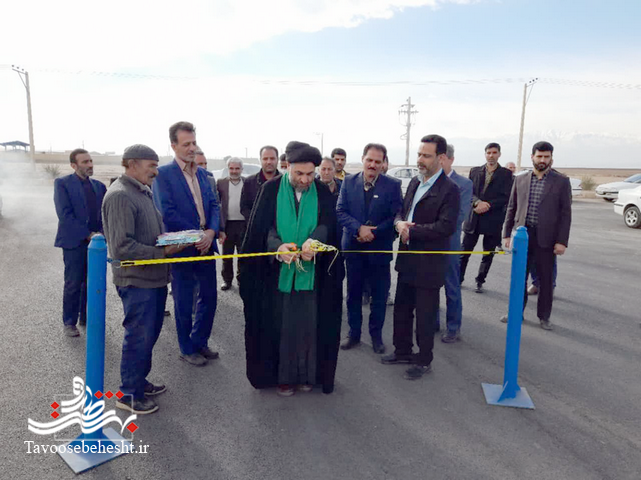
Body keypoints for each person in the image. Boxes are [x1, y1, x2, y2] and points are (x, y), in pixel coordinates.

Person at [239, 141, 344, 396]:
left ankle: (308, 375)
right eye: (299, 174)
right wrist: (278, 248)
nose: (305, 180)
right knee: (282, 328)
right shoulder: (270, 190)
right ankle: (283, 378)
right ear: (287, 167)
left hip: (313, 278)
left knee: (309, 328)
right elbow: (262, 229)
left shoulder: (322, 191)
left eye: (310, 174)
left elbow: (328, 225)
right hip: (276, 277)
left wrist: (315, 241)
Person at [103, 145, 183, 414]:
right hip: (137, 281)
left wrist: (171, 240)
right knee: (138, 337)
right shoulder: (120, 196)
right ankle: (128, 394)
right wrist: (163, 252)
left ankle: (138, 381)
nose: (156, 171)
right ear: (132, 164)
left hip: (153, 278)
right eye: (152, 166)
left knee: (148, 336)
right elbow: (121, 247)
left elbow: (147, 234)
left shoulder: (141, 192)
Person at [382, 134, 460, 380]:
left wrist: (411, 231)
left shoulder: (450, 190)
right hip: (407, 259)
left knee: (425, 316)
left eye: (426, 156)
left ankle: (424, 360)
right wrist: (398, 224)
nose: (420, 160)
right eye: (419, 154)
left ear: (441, 158)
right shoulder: (416, 182)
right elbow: (402, 212)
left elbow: (446, 227)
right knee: (402, 310)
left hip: (429, 264)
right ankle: (402, 351)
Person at [153, 121, 221, 366]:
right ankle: (186, 348)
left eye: (194, 142)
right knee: (183, 301)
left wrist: (211, 232)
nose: (192, 148)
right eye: (186, 144)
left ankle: (200, 342)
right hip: (182, 248)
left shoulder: (203, 174)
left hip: (206, 245)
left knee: (209, 297)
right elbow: (167, 212)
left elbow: (214, 205)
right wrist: (196, 235)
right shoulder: (163, 175)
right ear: (173, 146)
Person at [337, 143, 403, 354]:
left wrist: (373, 232)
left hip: (379, 249)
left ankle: (376, 336)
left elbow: (396, 215)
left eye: (377, 161)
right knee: (353, 294)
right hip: (354, 248)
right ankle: (354, 334)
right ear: (363, 159)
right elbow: (340, 211)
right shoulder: (348, 182)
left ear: (383, 163)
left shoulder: (393, 185)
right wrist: (359, 229)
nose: (373, 165)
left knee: (379, 296)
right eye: (369, 160)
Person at [501, 141, 571, 330]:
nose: (542, 160)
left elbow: (566, 214)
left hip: (547, 239)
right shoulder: (520, 179)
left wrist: (562, 241)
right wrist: (507, 234)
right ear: (532, 157)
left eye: (546, 157)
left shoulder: (561, 182)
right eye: (539, 156)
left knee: (546, 280)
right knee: (519, 278)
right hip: (522, 237)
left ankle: (544, 317)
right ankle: (516, 313)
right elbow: (512, 207)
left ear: (551, 158)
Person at [54, 148, 107, 337]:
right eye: (85, 162)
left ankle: (87, 317)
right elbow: (64, 214)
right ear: (73, 165)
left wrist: (101, 234)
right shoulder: (62, 184)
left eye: (90, 161)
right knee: (74, 282)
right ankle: (69, 322)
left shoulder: (99, 186)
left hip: (97, 243)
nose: (90, 165)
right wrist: (87, 234)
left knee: (92, 281)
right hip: (74, 242)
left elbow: (104, 214)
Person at [460, 143, 513, 293]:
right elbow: (469, 192)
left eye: (494, 153)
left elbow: (506, 197)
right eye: (489, 152)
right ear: (485, 154)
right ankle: (458, 278)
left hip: (493, 219)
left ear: (499, 154)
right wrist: (477, 202)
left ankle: (480, 280)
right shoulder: (475, 171)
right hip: (474, 217)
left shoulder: (506, 174)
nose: (491, 155)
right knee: (464, 251)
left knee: (488, 253)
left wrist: (487, 205)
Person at [436, 144, 473, 342]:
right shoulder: (428, 180)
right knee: (430, 284)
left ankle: (453, 327)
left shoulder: (463, 184)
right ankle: (432, 321)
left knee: (451, 286)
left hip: (449, 243)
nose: (439, 162)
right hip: (429, 244)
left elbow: (460, 216)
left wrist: (432, 229)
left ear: (450, 159)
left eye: (442, 158)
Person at [216, 157, 246, 290]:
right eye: (231, 168)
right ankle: (227, 280)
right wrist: (219, 227)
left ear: (241, 169)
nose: (234, 171)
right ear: (228, 169)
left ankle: (241, 279)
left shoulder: (247, 182)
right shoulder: (221, 183)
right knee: (227, 255)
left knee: (242, 254)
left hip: (243, 224)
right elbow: (216, 204)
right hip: (227, 225)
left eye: (237, 168)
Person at [240, 145, 279, 220]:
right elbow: (244, 207)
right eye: (265, 159)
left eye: (272, 158)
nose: (269, 162)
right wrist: (256, 221)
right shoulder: (249, 182)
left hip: (280, 226)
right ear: (260, 160)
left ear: (277, 160)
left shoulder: (284, 183)